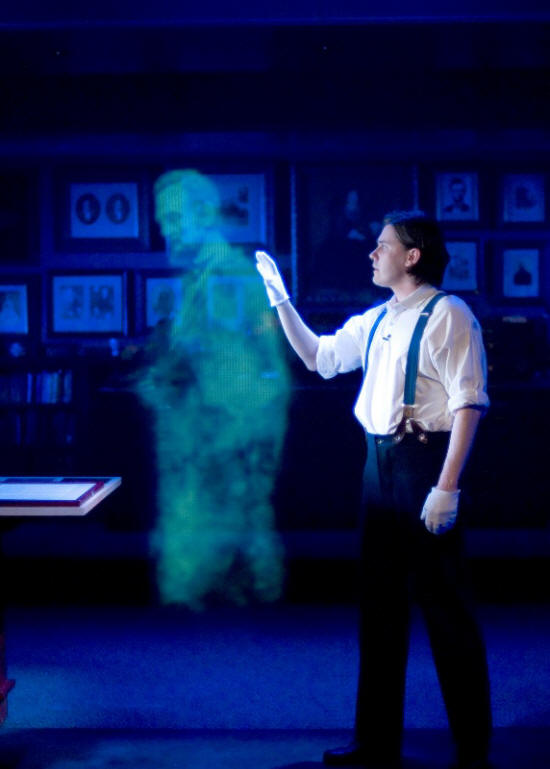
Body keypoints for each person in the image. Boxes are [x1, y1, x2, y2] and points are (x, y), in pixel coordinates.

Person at [256, 210, 493, 769]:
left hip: (423, 464)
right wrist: (281, 302)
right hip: (377, 464)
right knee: (379, 609)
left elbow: (469, 403)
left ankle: (472, 748)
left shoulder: (449, 314)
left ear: (412, 256)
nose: (372, 253)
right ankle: (375, 741)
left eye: (382, 246)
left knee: (445, 609)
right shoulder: (378, 317)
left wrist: (447, 487)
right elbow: (319, 358)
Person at [135, 169, 290, 608]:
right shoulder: (199, 278)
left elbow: (269, 371)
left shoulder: (234, 276)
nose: (165, 231)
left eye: (172, 218)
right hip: (206, 448)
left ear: (203, 214)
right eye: (162, 221)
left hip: (229, 445)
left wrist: (242, 445)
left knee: (231, 565)